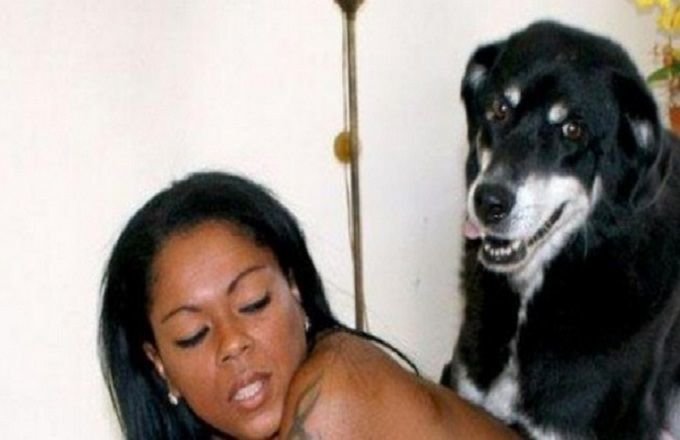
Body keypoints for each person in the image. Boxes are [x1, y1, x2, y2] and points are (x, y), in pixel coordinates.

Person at [98, 171, 518, 440]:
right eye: (193, 335)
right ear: (158, 363)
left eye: (253, 303)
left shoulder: (333, 391)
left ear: (294, 288)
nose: (232, 343)